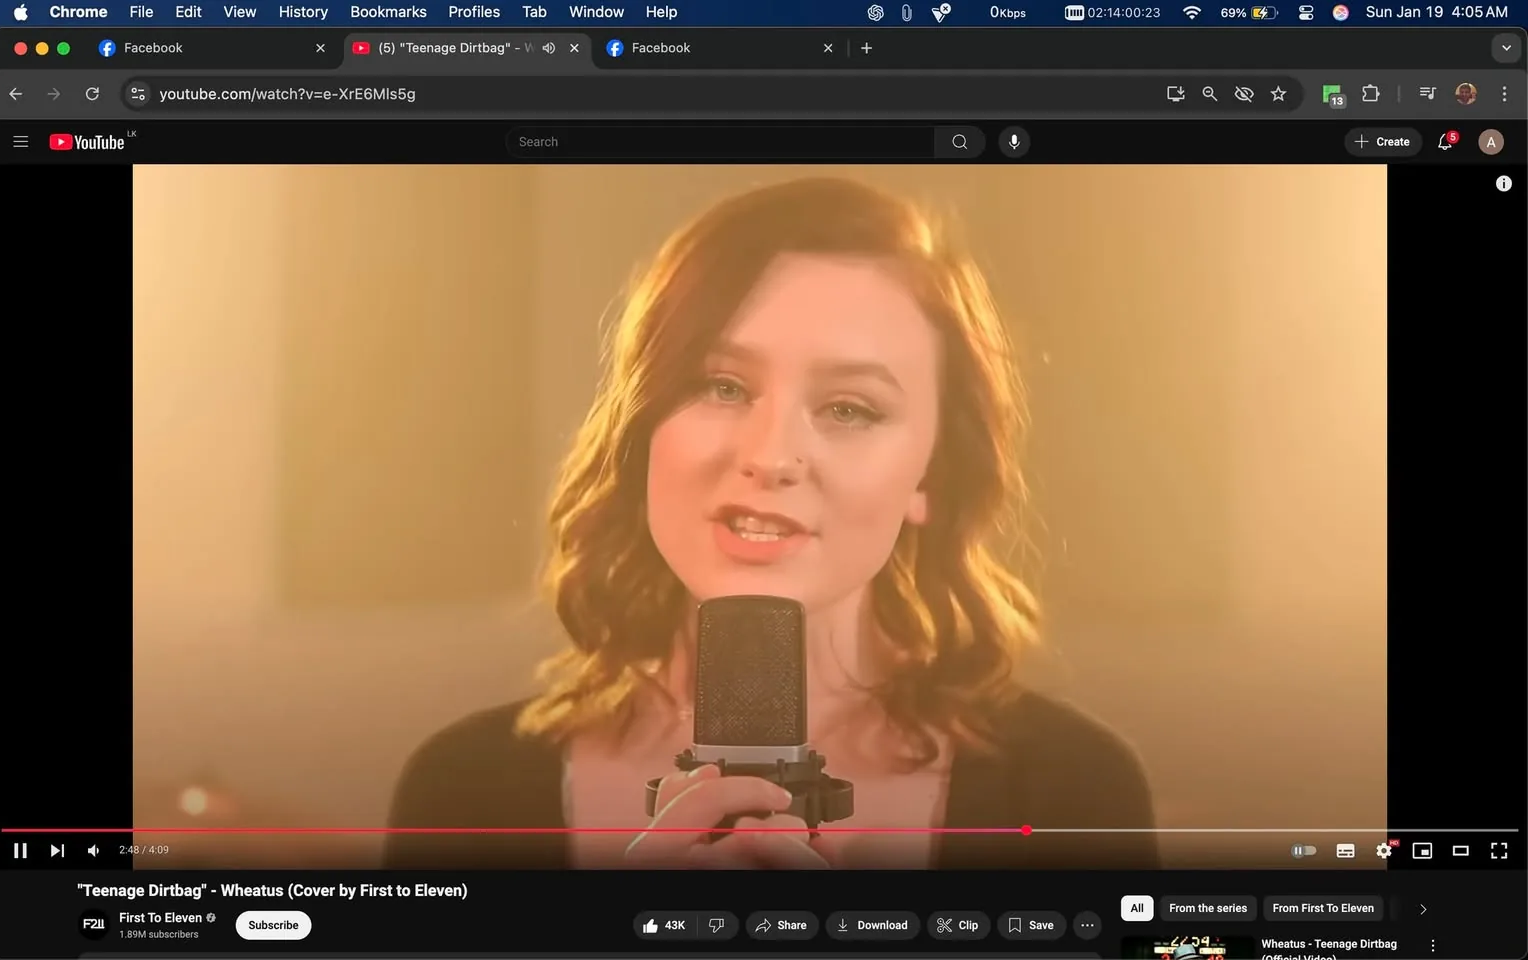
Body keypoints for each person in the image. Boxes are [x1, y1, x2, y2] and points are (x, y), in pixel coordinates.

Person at [384, 177, 1158, 870]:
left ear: (929, 475)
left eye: (849, 408)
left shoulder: (1070, 792)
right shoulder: (464, 793)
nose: (770, 456)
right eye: (722, 386)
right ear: (642, 428)